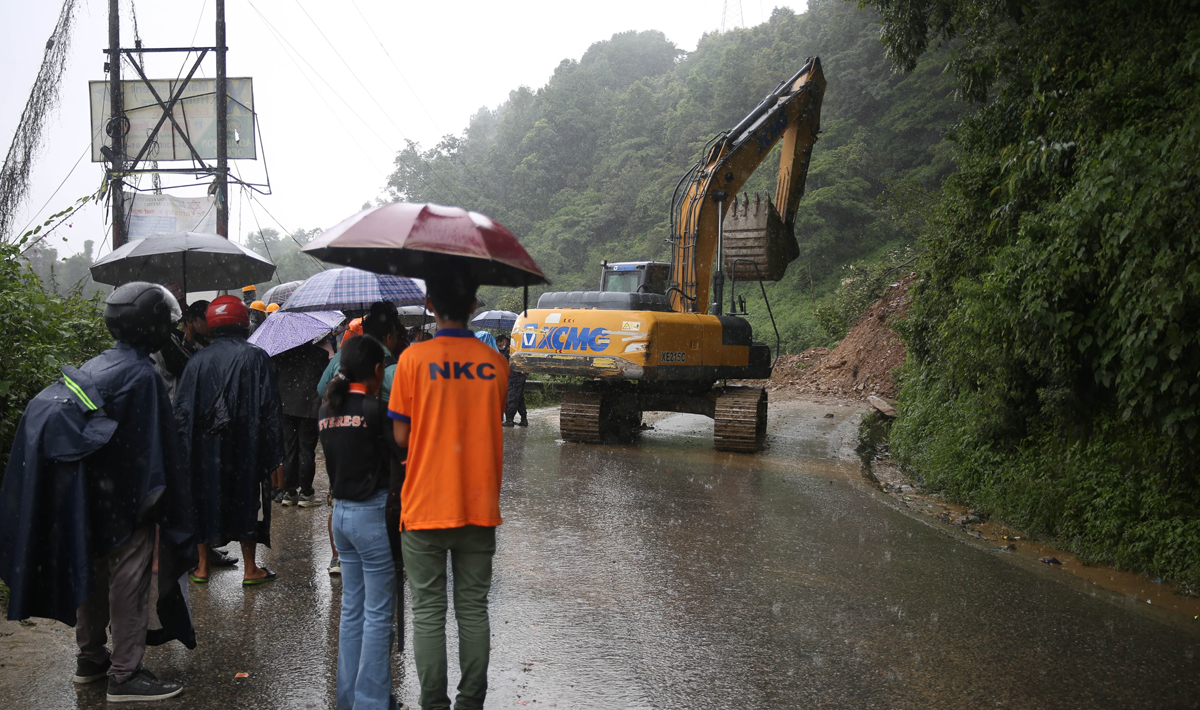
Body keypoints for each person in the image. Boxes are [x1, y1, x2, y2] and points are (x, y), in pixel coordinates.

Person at [0, 282, 195, 702]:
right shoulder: (142, 374)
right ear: (153, 326)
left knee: (90, 575)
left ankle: (90, 659)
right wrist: (161, 502)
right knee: (129, 579)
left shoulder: (97, 363)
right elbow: (157, 445)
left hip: (87, 497)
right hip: (126, 502)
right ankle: (125, 675)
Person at [389, 275, 507, 710]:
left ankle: (433, 704)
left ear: (429, 304)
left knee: (428, 613)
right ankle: (471, 702)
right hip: (479, 503)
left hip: (424, 504)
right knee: (473, 610)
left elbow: (401, 437)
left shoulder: (413, 360)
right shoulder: (493, 362)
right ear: (474, 304)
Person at [320, 335, 408, 710]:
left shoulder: (327, 408)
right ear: (377, 370)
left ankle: (349, 698)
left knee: (352, 611)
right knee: (377, 615)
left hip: (340, 517)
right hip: (371, 518)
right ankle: (372, 703)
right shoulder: (376, 409)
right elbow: (402, 452)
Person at [175, 296, 285, 585]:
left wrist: (185, 453)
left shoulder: (196, 361)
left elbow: (183, 412)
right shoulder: (256, 357)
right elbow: (270, 407)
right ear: (243, 322)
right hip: (245, 446)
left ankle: (201, 566)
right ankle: (250, 568)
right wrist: (272, 450)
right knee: (247, 500)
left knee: (202, 499)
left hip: (205, 449)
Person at [273, 339, 329, 507]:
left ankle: (289, 492)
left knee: (289, 449)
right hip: (309, 408)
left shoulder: (281, 355)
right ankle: (306, 492)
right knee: (306, 450)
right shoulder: (320, 355)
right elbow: (324, 381)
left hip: (286, 407)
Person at [497, 335, 529, 427]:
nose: (499, 344)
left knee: (512, 397)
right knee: (519, 399)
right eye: (497, 343)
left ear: (505, 340)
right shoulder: (504, 351)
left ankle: (510, 420)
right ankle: (524, 419)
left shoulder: (511, 350)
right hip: (515, 376)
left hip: (515, 376)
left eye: (500, 342)